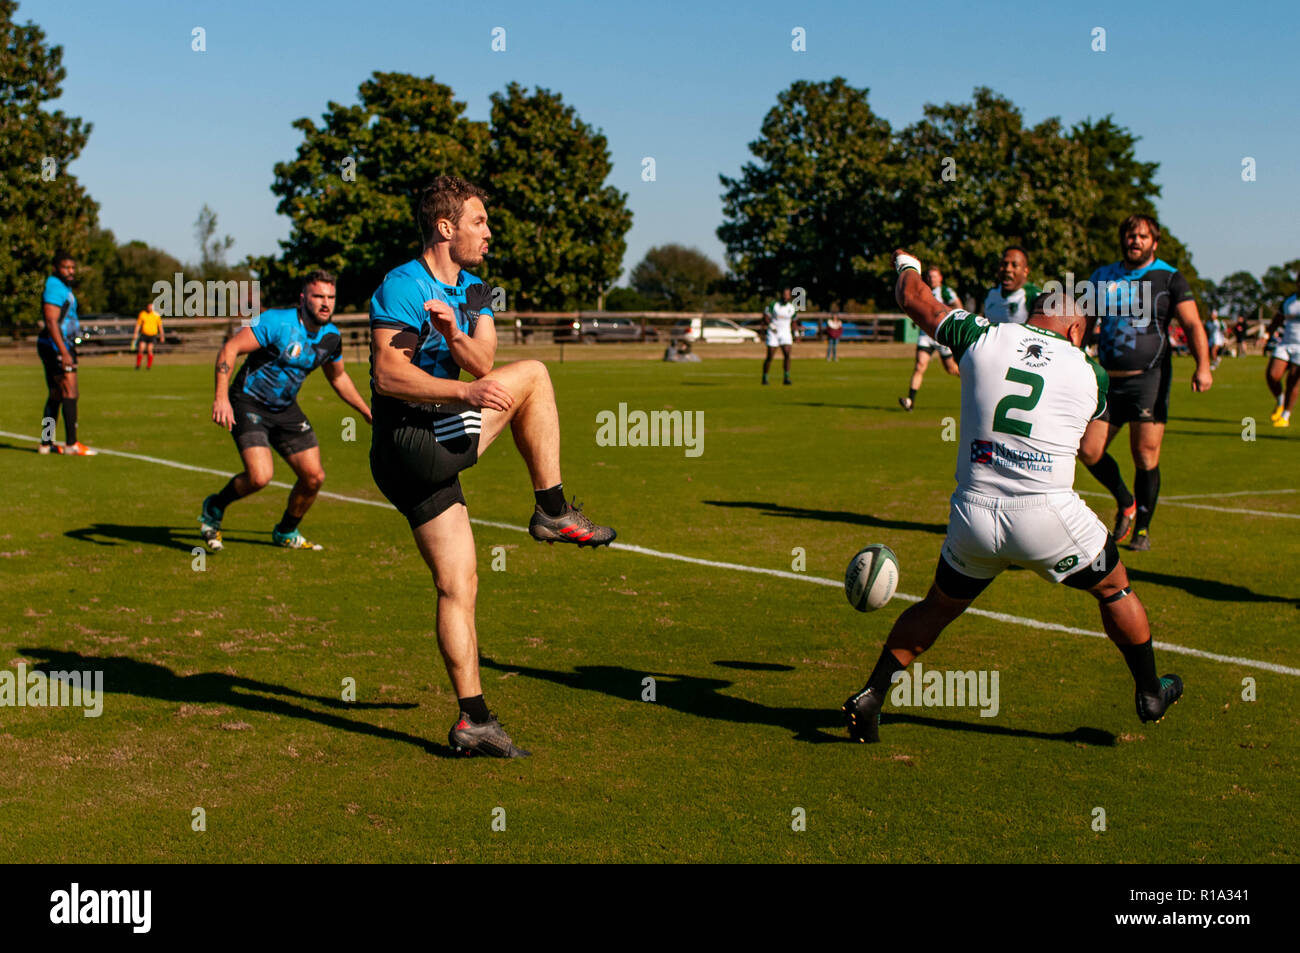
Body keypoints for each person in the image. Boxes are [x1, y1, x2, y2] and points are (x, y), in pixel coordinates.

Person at [842, 250, 1183, 743]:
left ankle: (872, 695)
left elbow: (915, 300)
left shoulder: (981, 334)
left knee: (937, 606)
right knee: (1113, 588)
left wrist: (907, 265)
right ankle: (1151, 690)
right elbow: (1091, 448)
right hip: (1047, 514)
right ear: (1075, 329)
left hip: (974, 514)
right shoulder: (1092, 372)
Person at [368, 175, 616, 759]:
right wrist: (463, 395)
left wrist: (457, 331)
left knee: (459, 584)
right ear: (445, 227)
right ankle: (552, 510)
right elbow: (387, 376)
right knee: (534, 376)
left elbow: (482, 361)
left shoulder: (476, 289)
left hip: (424, 454)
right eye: (479, 222)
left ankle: (471, 720)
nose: (489, 232)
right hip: (410, 437)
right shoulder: (401, 285)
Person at [198, 271, 372, 552]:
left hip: (285, 408)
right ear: (303, 298)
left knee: (314, 477)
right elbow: (230, 349)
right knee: (259, 476)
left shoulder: (331, 337)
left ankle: (286, 531)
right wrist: (221, 398)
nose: (325, 303)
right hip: (248, 401)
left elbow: (338, 378)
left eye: (330, 297)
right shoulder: (276, 322)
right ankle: (214, 506)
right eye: (318, 297)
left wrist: (365, 410)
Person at [1078, 214, 1212, 552]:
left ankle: (1142, 530)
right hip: (1107, 379)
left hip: (1149, 380)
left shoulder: (1169, 278)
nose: (1134, 241)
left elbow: (1193, 324)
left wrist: (1203, 366)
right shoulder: (1102, 276)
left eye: (1141, 236)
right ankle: (1125, 500)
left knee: (1144, 454)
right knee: (1087, 450)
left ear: (1154, 241)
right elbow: (1085, 321)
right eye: (1129, 235)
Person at [37, 251, 96, 456]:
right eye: (66, 268)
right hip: (56, 346)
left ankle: (46, 442)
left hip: (58, 345)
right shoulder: (54, 286)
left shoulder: (63, 287)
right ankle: (72, 443)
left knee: (56, 394)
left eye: (73, 267)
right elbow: (51, 320)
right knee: (70, 392)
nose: (71, 271)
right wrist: (64, 350)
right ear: (56, 268)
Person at [899, 265, 960, 411]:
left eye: (934, 276)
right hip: (925, 335)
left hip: (941, 335)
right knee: (920, 365)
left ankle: (976, 382)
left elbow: (959, 307)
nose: (932, 279)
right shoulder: (923, 290)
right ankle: (910, 401)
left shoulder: (946, 292)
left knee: (952, 369)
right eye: (930, 276)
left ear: (940, 278)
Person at [1264, 276, 1300, 427]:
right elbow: (1277, 320)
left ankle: (1285, 415)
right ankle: (1280, 401)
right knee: (1272, 375)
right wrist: (1267, 334)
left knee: (1293, 381)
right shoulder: (1289, 301)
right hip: (1285, 343)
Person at [982, 247, 1041, 324]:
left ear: (1025, 271)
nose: (1008, 269)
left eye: (1014, 265)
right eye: (1004, 264)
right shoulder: (991, 293)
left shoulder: (1034, 296)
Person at [761, 288, 796, 385]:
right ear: (781, 295)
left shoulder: (792, 307)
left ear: (790, 296)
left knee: (787, 354)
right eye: (784, 294)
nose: (786, 296)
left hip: (785, 333)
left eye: (788, 295)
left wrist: (796, 333)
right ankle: (765, 377)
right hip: (773, 333)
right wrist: (770, 325)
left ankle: (786, 377)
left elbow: (794, 321)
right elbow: (765, 316)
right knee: (770, 356)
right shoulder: (774, 305)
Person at [132, 302, 165, 370]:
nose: (149, 308)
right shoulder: (143, 314)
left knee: (149, 350)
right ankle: (138, 365)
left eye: (151, 307)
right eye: (148, 307)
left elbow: (160, 327)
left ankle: (148, 366)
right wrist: (135, 334)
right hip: (144, 334)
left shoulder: (156, 315)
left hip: (152, 335)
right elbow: (138, 325)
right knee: (141, 349)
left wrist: (162, 336)